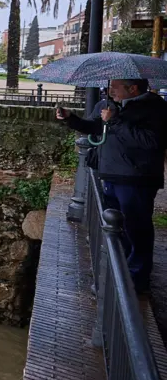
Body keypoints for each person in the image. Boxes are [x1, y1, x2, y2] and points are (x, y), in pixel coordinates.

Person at [57, 78, 167, 292]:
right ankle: (120, 270)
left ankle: (136, 279)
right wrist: (71, 118)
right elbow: (95, 128)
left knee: (136, 227)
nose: (109, 90)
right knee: (117, 228)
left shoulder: (155, 108)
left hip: (136, 177)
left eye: (115, 87)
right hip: (111, 174)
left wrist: (115, 121)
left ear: (133, 88)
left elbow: (151, 142)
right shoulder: (112, 105)